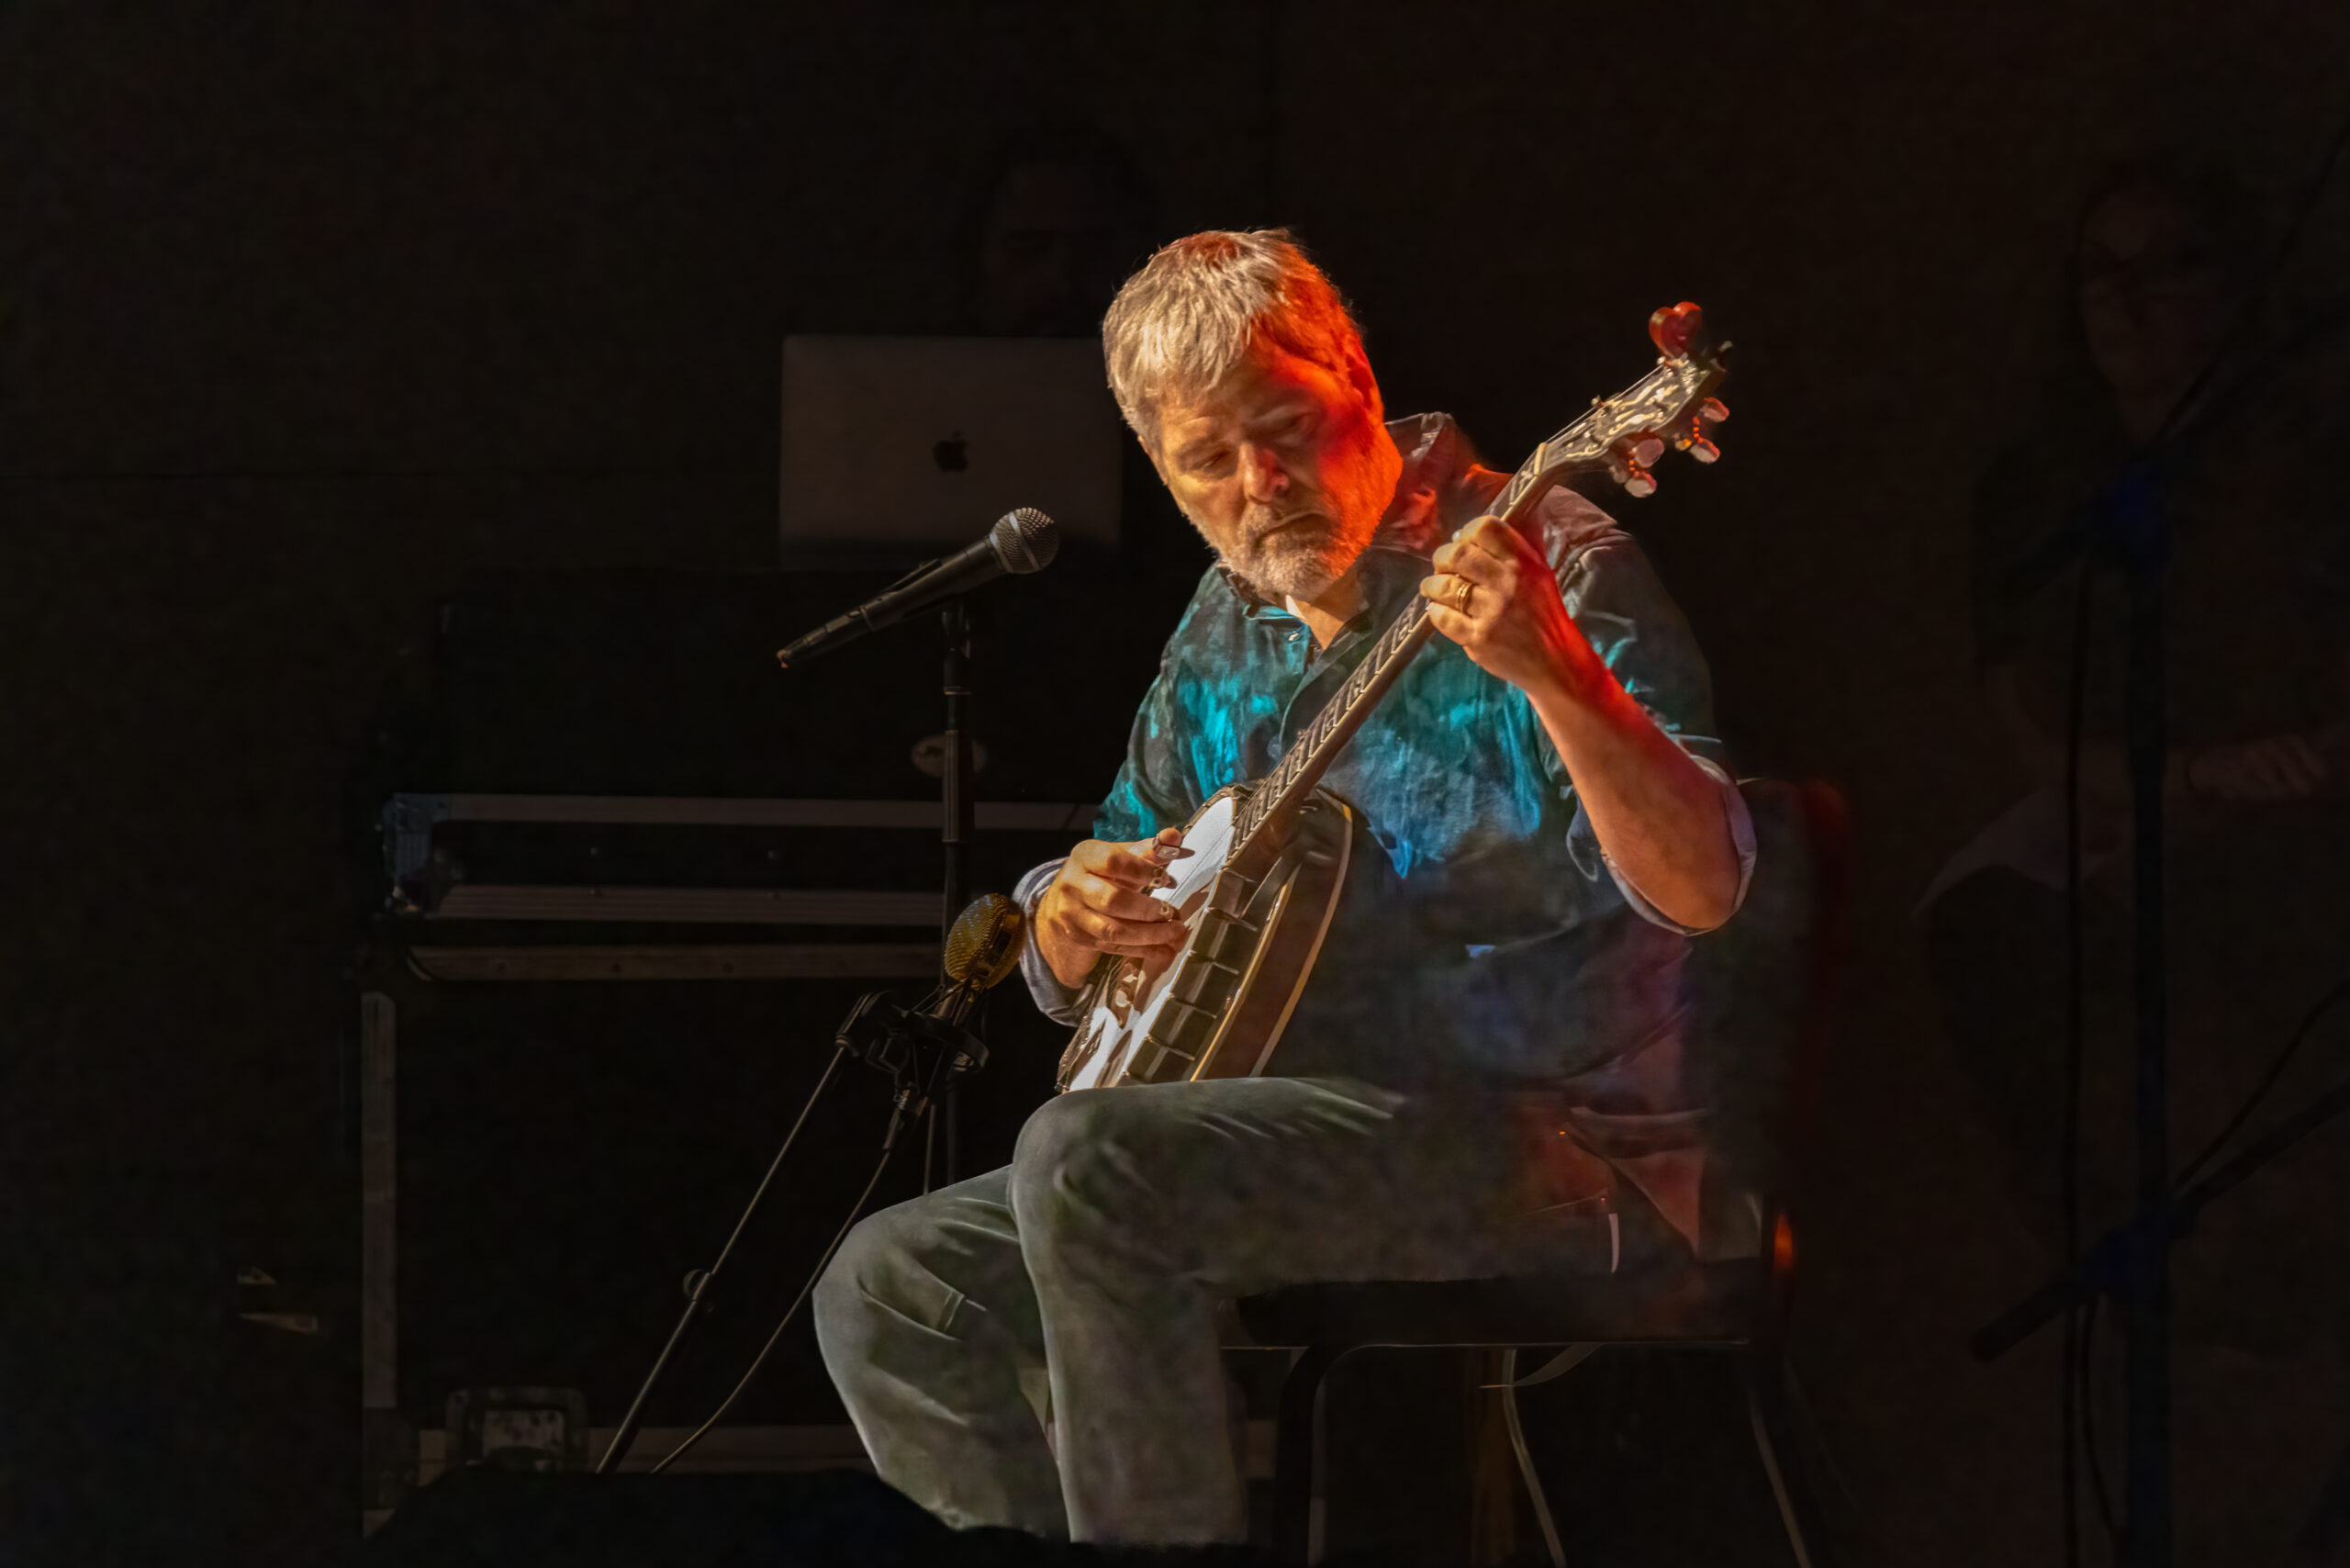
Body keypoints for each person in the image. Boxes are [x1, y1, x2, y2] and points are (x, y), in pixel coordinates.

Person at [813, 230, 1755, 1546]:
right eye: (1210, 460)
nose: (1262, 484)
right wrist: (1067, 915)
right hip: (1294, 1129)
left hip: (1548, 1141)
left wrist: (1559, 676)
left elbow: (1709, 885)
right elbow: (1128, 849)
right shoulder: (1226, 620)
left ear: (1357, 380)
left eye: (1288, 427)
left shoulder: (1556, 554)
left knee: (1083, 1168)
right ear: (1163, 473)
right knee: (890, 1283)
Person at [1920, 156, 2350, 1563]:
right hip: (2135, 805)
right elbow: (2030, 734)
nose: (2130, 307)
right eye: (2103, 274)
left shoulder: (2306, 472)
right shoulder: (2049, 490)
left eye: (2169, 269)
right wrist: (2180, 784)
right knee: (1985, 913)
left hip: (2301, 814)